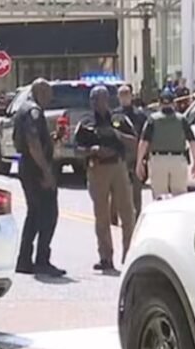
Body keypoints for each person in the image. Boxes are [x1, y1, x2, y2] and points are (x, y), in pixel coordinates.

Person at [75, 86, 137, 271]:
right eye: (94, 99)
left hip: (118, 167)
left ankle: (130, 256)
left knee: (128, 213)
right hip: (97, 169)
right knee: (101, 216)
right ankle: (105, 257)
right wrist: (92, 150)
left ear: (108, 100)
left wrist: (117, 135)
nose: (98, 102)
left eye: (102, 98)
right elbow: (76, 149)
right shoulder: (86, 122)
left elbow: (135, 142)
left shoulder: (119, 119)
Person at [13, 78, 66, 277]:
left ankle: (24, 260)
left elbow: (36, 142)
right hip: (35, 169)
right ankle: (42, 260)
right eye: (48, 93)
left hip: (28, 165)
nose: (50, 97)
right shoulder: (34, 111)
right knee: (48, 214)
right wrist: (46, 172)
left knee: (34, 214)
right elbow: (33, 144)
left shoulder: (24, 108)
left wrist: (52, 139)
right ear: (40, 92)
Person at [136, 88, 195, 200]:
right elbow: (192, 141)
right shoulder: (182, 119)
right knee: (180, 197)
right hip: (178, 160)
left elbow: (144, 142)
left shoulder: (153, 120)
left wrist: (139, 162)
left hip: (158, 160)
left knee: (159, 197)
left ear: (160, 104)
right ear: (173, 103)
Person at [111, 85, 148, 220]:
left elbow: (146, 136)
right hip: (119, 156)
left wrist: (144, 157)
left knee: (136, 189)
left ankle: (136, 217)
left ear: (131, 96)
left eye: (127, 95)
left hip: (136, 155)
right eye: (122, 95)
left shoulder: (140, 115)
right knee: (117, 189)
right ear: (118, 97)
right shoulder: (114, 115)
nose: (124, 98)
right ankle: (114, 217)